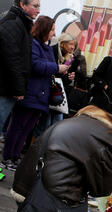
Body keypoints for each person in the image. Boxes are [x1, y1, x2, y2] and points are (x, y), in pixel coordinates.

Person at [1, 15, 69, 171]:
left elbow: (49, 67)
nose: (54, 33)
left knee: (26, 130)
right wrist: (56, 68)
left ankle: (15, 157)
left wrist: (63, 72)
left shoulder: (46, 47)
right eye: (52, 29)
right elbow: (35, 65)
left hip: (41, 96)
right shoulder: (33, 44)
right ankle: (7, 158)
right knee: (17, 127)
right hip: (30, 92)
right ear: (44, 29)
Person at [0, 0, 40, 147]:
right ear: (23, 5)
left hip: (7, 88)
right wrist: (18, 88)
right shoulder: (13, 23)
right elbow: (12, 59)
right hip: (4, 88)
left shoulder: (21, 24)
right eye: (35, 6)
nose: (38, 10)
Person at [52, 32, 89, 117]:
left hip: (60, 92)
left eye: (74, 45)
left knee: (58, 119)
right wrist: (58, 69)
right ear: (62, 43)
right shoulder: (53, 52)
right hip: (49, 91)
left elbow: (63, 80)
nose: (73, 47)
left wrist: (69, 77)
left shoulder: (70, 58)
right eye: (71, 44)